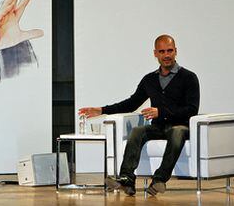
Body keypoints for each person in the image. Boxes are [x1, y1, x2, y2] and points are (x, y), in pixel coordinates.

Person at [79, 35, 200, 196]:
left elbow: (192, 109)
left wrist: (161, 112)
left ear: (175, 51)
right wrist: (101, 110)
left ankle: (159, 180)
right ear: (155, 53)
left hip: (181, 127)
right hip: (158, 127)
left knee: (176, 131)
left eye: (170, 50)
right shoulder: (149, 79)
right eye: (162, 51)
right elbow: (131, 103)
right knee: (137, 131)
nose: (166, 55)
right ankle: (126, 179)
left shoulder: (189, 77)